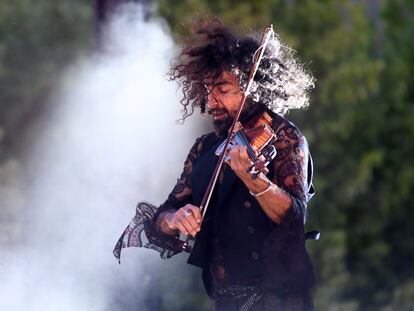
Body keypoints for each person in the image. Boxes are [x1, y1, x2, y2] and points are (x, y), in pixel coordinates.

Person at [114, 20, 316, 311]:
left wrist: (253, 179)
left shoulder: (286, 138)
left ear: (252, 88)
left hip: (277, 300)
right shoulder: (205, 147)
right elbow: (164, 214)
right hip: (224, 299)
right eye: (208, 90)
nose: (211, 101)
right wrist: (175, 218)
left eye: (222, 89)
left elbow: (295, 218)